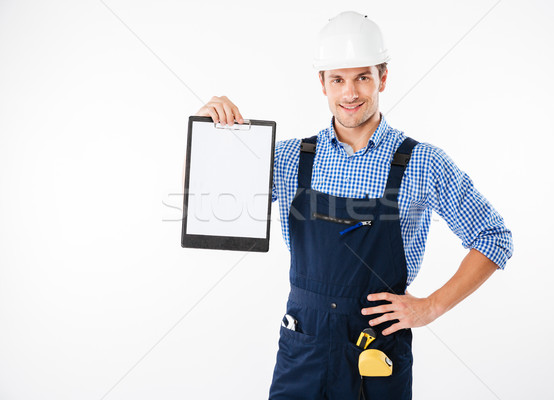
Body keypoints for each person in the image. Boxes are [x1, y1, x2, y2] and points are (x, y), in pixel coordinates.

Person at [194, 11, 513, 400]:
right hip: (303, 346)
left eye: (362, 77)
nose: (350, 93)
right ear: (322, 84)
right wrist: (207, 134)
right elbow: (206, 208)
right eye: (338, 79)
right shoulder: (291, 158)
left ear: (383, 77)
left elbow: (494, 238)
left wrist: (430, 307)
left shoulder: (422, 163)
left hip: (376, 348)